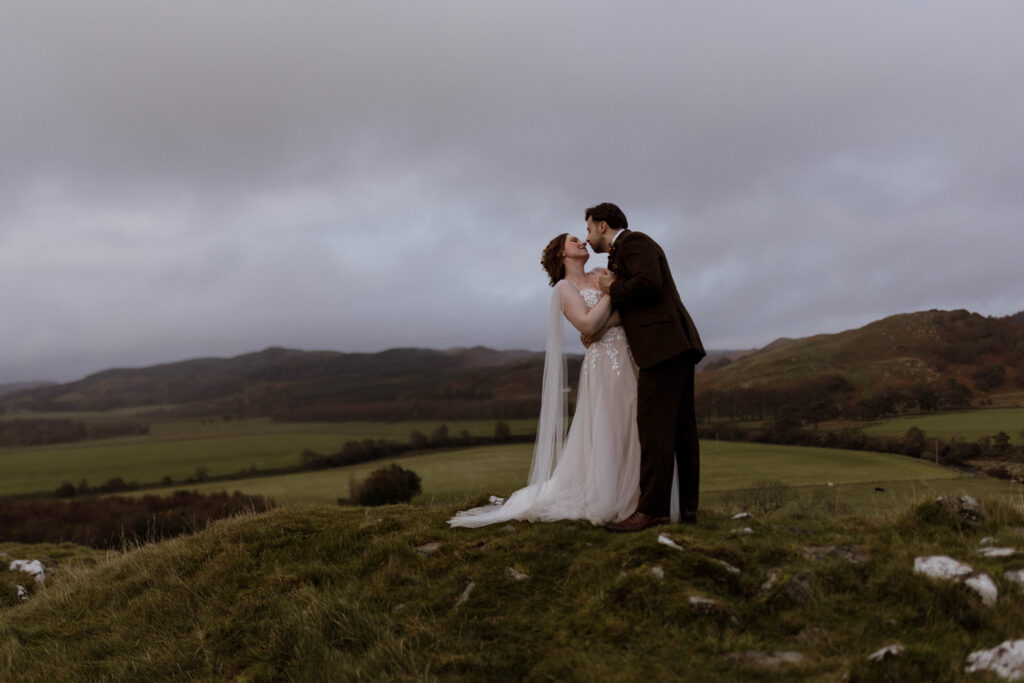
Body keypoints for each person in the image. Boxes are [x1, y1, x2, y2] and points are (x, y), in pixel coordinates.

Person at [447, 233, 647, 527]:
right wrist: (608, 296)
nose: (582, 242)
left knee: (637, 423)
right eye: (574, 240)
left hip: (631, 356)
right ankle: (615, 496)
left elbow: (627, 312)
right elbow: (588, 323)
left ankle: (641, 496)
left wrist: (605, 317)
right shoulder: (564, 289)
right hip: (605, 363)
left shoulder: (602, 273)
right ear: (560, 255)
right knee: (611, 424)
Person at [586, 202, 705, 532]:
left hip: (662, 346)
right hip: (673, 343)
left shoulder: (634, 242)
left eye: (589, 227)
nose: (587, 235)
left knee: (654, 429)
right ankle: (686, 510)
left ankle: (652, 510)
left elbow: (648, 283)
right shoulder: (629, 247)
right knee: (681, 430)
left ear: (603, 226)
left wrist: (612, 288)